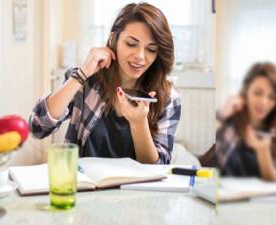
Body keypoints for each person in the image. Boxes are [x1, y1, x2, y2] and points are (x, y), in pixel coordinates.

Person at [30, 3, 181, 164]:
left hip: (135, 189)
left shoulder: (167, 98)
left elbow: (158, 168)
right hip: (85, 186)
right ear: (113, 39)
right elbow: (38, 128)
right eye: (131, 44)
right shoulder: (86, 81)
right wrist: (81, 74)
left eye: (151, 49)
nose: (140, 56)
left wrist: (139, 124)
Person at [216, 62, 276, 181]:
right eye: (258, 93)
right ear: (246, 91)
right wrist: (221, 116)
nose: (264, 102)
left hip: (262, 199)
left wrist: (263, 151)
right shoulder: (231, 122)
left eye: (272, 97)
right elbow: (214, 165)